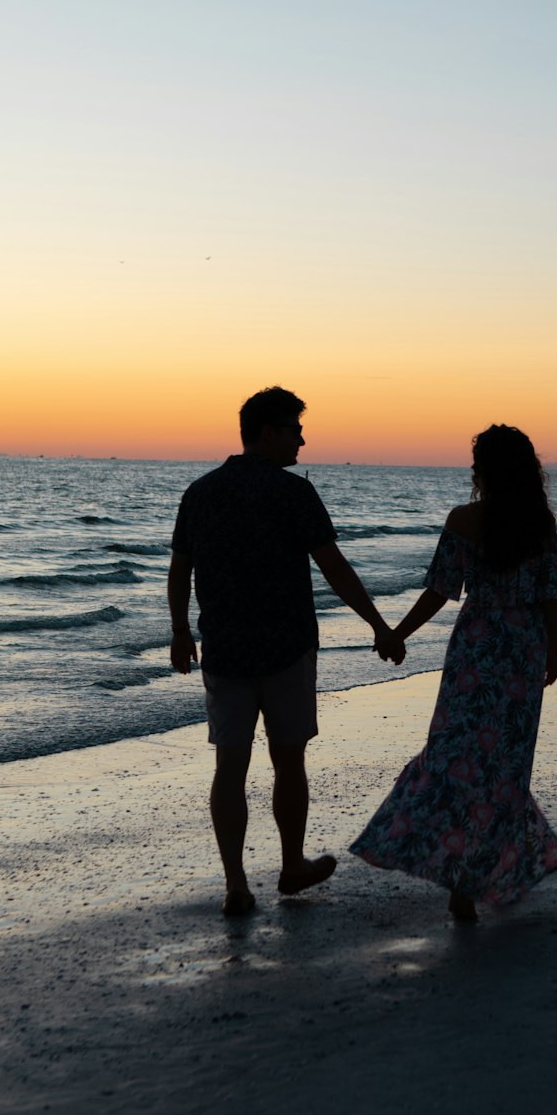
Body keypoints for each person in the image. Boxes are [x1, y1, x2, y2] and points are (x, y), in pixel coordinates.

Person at [168, 386, 403, 917]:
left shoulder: (200, 492)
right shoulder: (293, 493)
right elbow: (333, 566)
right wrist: (380, 625)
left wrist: (181, 631)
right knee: (287, 758)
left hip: (224, 647)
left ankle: (237, 885)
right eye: (295, 429)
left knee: (230, 763)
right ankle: (292, 864)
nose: (303, 438)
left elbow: (180, 568)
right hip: (287, 646)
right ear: (269, 433)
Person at [350, 424, 557, 921]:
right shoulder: (540, 522)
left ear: (483, 470)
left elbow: (441, 590)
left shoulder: (464, 520)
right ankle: (482, 877)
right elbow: (548, 592)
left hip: (476, 648)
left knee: (452, 758)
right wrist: (550, 651)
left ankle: (460, 882)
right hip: (523, 650)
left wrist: (397, 633)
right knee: (506, 771)